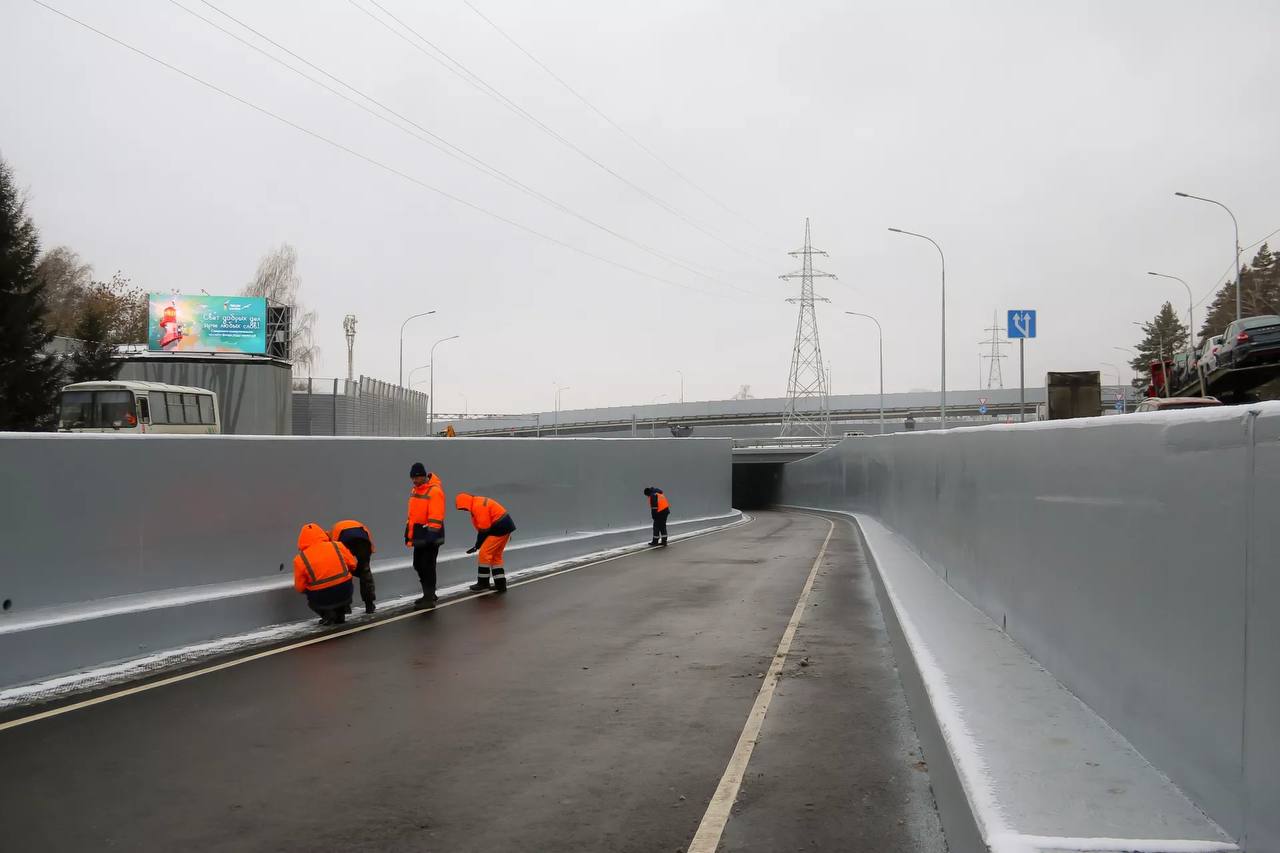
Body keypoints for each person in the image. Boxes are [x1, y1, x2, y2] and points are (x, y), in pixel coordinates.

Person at [293, 523, 357, 625]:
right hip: (345, 591)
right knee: (344, 579)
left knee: (311, 592)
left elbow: (299, 587)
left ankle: (327, 614)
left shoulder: (300, 559)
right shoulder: (338, 545)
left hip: (321, 597)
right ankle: (341, 612)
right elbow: (353, 564)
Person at [455, 492, 517, 592]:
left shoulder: (477, 506)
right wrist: (477, 545)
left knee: (484, 554)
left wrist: (477, 545)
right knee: (496, 556)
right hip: (504, 527)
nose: (464, 510)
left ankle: (483, 583)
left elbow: (484, 529)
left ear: (464, 503)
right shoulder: (478, 502)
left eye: (463, 508)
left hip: (498, 529)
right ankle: (500, 584)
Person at [406, 462, 445, 608]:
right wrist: (408, 531)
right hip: (419, 534)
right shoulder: (415, 490)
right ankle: (429, 594)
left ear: (424, 476)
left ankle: (429, 598)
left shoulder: (434, 491)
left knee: (427, 565)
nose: (414, 480)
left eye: (417, 477)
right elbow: (413, 514)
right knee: (418, 564)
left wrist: (431, 535)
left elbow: (436, 515)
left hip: (430, 535)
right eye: (412, 478)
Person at [331, 519, 377, 614]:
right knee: (365, 572)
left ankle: (345, 607)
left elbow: (335, 551)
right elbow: (368, 539)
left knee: (344, 575)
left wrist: (350, 570)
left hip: (344, 541)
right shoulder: (360, 525)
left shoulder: (332, 534)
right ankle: (369, 605)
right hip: (363, 540)